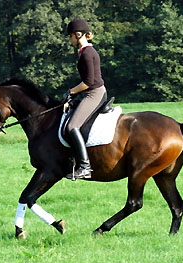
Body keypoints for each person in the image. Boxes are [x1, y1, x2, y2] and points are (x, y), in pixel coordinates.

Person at [64, 18, 107, 179]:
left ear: (78, 34)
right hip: (90, 93)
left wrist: (71, 91)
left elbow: (88, 82)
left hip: (94, 94)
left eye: (70, 36)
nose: (70, 39)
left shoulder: (88, 53)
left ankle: (85, 167)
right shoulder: (84, 52)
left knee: (72, 126)